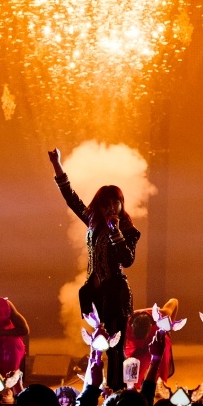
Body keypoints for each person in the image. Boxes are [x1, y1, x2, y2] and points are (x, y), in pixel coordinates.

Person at [48, 147, 140, 392]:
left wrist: (115, 232)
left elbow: (127, 260)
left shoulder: (129, 230)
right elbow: (71, 198)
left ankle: (117, 390)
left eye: (115, 203)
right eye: (106, 204)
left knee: (116, 345)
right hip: (96, 294)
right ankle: (99, 387)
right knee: (101, 342)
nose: (111, 208)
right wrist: (57, 164)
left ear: (121, 204)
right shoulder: (92, 222)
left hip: (116, 293)